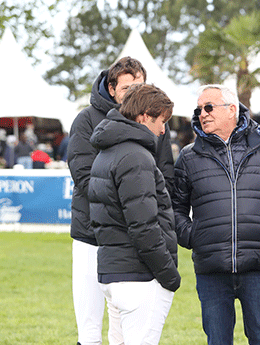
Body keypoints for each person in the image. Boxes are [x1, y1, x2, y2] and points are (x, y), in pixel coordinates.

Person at [172, 84, 260, 345]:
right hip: (211, 269)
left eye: (209, 107)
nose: (202, 114)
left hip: (259, 267)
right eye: (199, 109)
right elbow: (175, 207)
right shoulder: (188, 156)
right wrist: (193, 237)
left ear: (232, 109)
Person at [88, 83, 180, 345]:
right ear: (143, 116)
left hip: (114, 275)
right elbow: (143, 226)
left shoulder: (108, 152)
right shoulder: (135, 156)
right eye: (161, 120)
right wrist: (169, 275)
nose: (164, 130)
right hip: (137, 277)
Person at [67, 56, 147, 345]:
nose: (134, 93)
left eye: (139, 86)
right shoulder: (86, 120)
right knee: (89, 328)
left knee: (125, 328)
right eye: (127, 88)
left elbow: (161, 176)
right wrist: (127, 204)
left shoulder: (148, 121)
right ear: (112, 88)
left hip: (129, 239)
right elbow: (84, 176)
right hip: (90, 235)